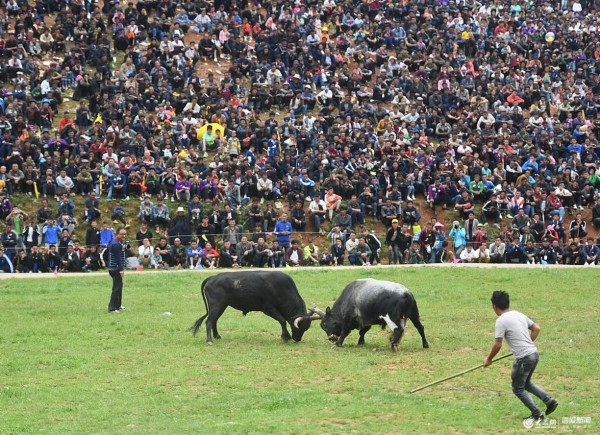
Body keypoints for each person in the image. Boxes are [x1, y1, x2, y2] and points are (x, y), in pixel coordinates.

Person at [484, 291, 558, 422]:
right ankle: (549, 401)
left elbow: (497, 344)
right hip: (534, 354)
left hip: (524, 359)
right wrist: (527, 344)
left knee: (518, 388)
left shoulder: (501, 321)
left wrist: (489, 359)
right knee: (526, 384)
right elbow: (536, 328)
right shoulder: (518, 314)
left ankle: (537, 414)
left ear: (494, 306)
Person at [107, 227, 127, 313]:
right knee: (116, 288)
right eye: (122, 234)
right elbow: (118, 258)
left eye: (125, 234)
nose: (124, 236)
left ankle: (118, 305)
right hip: (115, 268)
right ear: (117, 234)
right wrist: (121, 269)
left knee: (119, 287)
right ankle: (112, 308)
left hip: (114, 267)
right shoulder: (116, 244)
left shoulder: (116, 243)